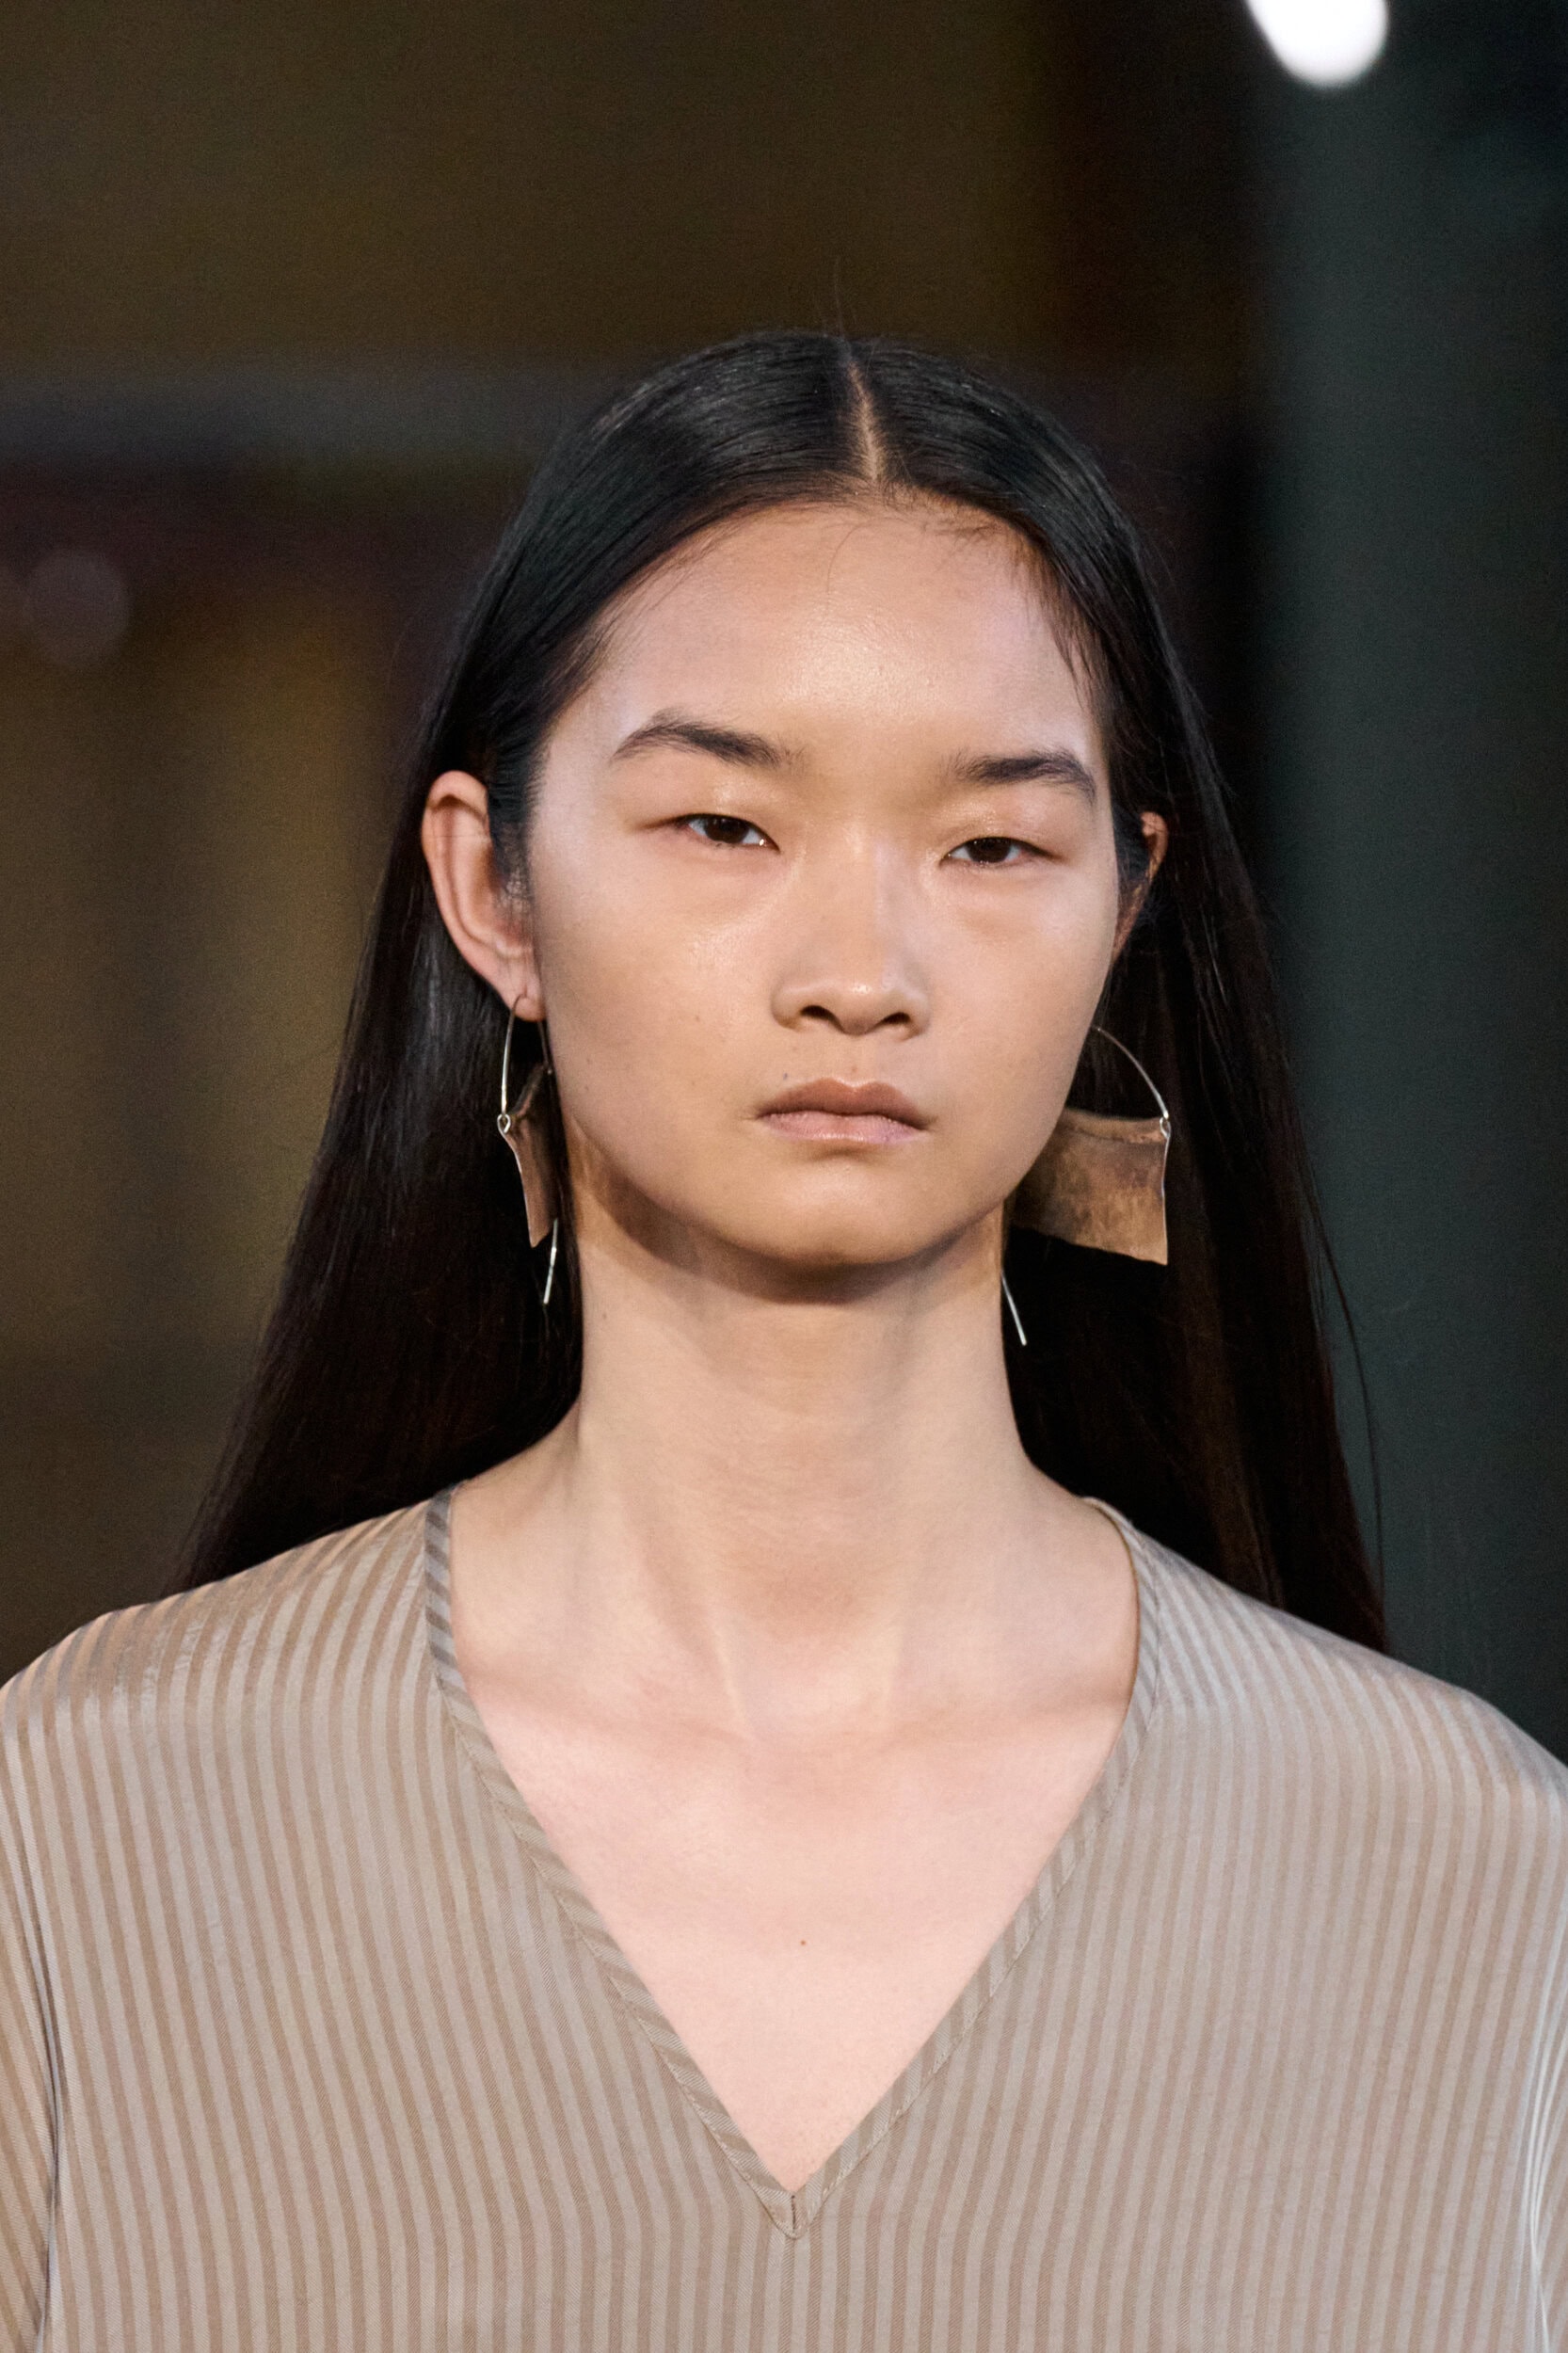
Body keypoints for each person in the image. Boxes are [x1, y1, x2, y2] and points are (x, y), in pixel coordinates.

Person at [2, 333, 1564, 2351]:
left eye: (990, 846)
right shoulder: (93, 1831)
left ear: (1124, 905)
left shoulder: (1459, 1877)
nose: (858, 973)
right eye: (724, 826)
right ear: (494, 886)